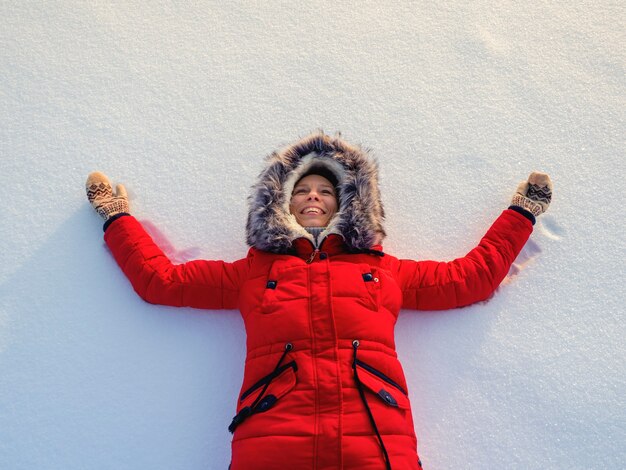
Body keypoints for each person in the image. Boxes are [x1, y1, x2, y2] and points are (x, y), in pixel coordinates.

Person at [86, 131, 553, 470]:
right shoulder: (253, 273)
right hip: (270, 445)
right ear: (281, 203)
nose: (313, 197)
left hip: (374, 444)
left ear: (348, 202)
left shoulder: (380, 271)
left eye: (326, 190)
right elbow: (160, 281)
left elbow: (467, 280)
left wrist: (521, 213)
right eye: (302, 191)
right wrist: (116, 218)